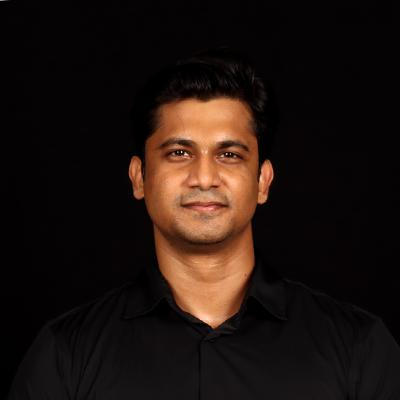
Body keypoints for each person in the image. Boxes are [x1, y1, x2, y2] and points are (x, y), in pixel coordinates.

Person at [7, 47, 400, 400]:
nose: (204, 177)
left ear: (263, 181)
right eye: (179, 152)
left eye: (229, 155)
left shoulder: (359, 348)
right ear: (139, 177)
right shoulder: (66, 353)